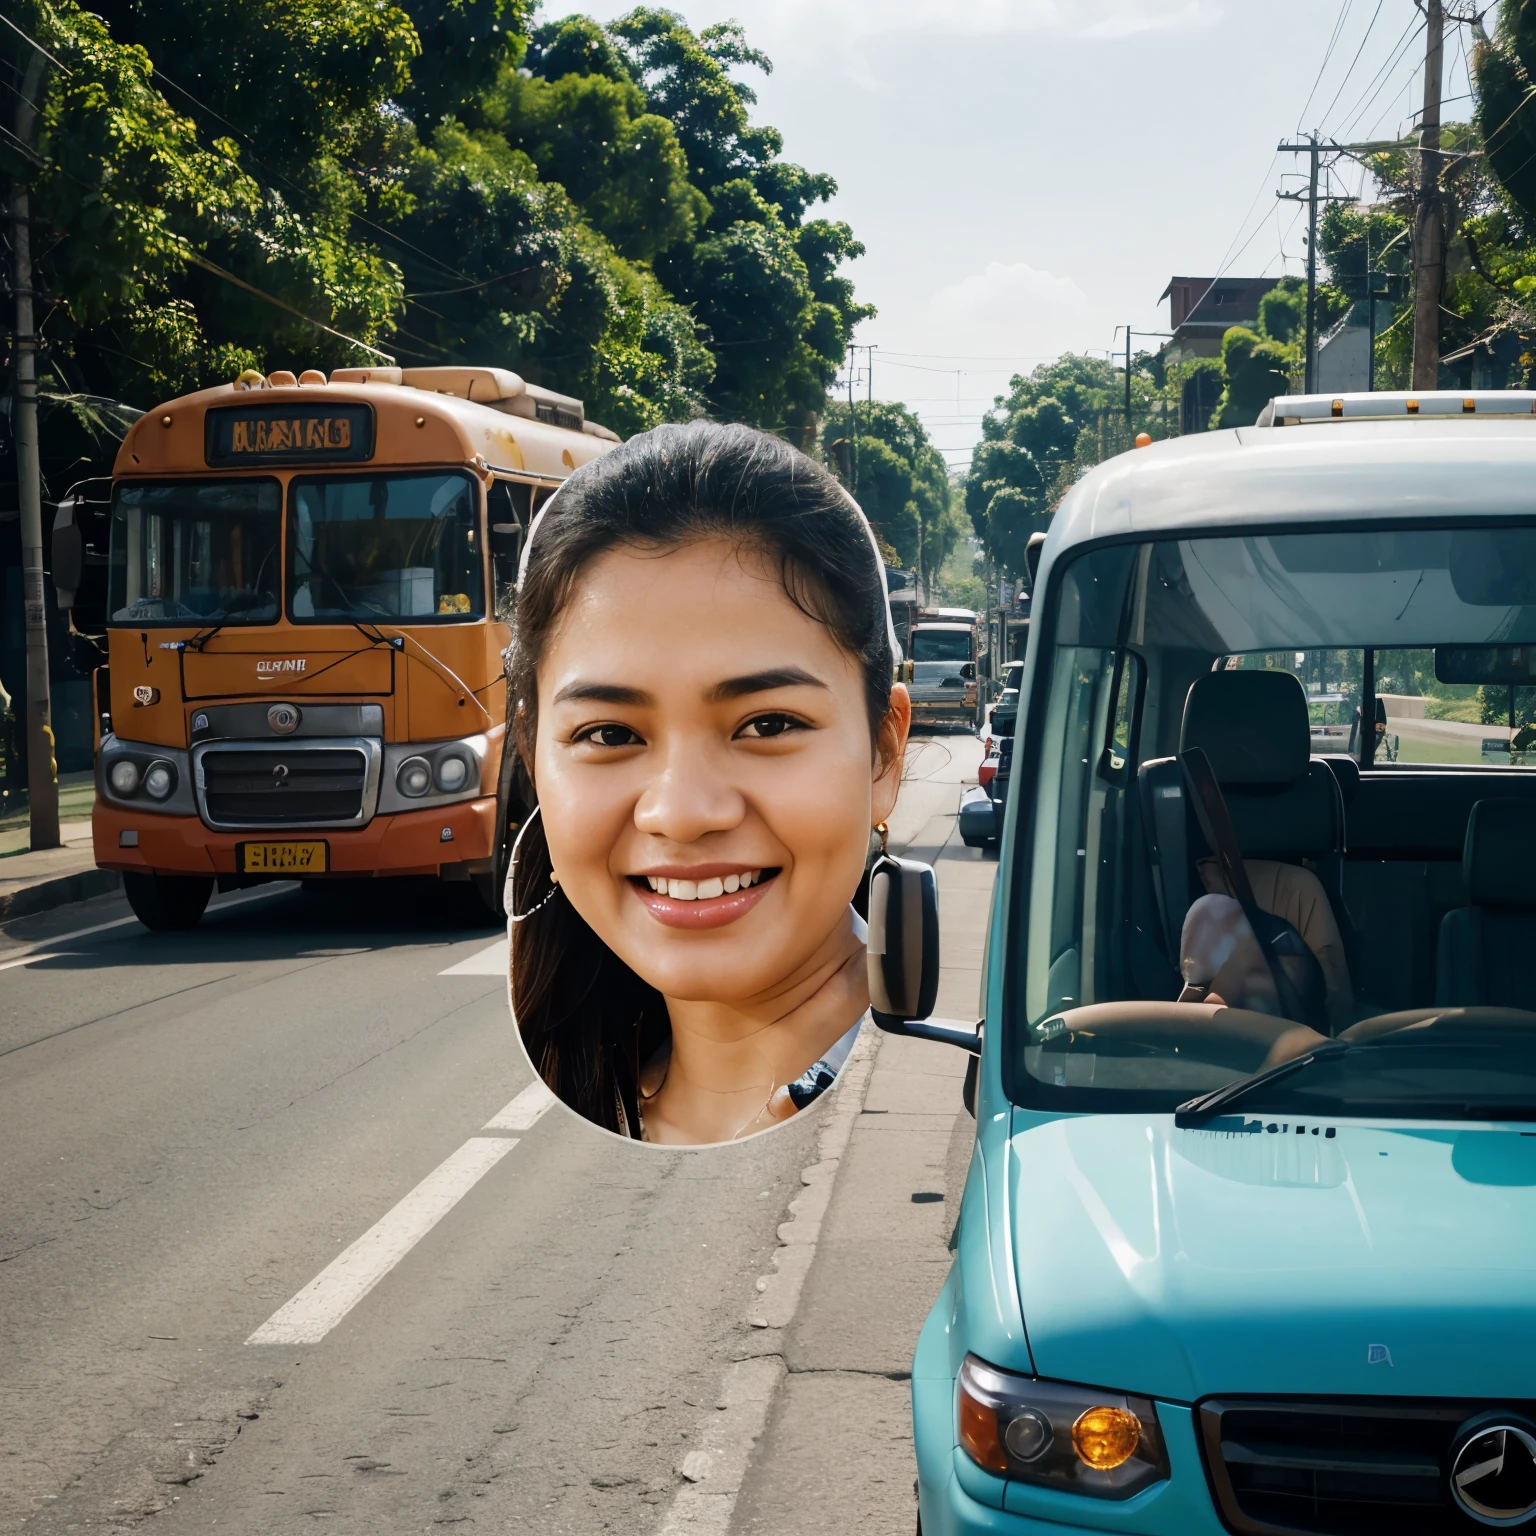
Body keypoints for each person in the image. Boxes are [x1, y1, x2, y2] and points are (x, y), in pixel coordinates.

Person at [506, 421, 911, 1145]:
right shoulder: (590, 1094)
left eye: (767, 725)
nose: (682, 813)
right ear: (535, 759)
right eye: (609, 734)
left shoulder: (996, 1117)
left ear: (883, 754)